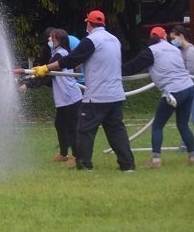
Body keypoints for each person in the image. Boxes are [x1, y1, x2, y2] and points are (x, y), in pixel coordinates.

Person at [33, 10, 135, 171]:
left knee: (84, 131)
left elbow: (70, 60)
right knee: (116, 131)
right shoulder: (114, 40)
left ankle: (84, 165)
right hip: (116, 94)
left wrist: (46, 67)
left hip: (97, 95)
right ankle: (127, 165)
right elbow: (90, 61)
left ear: (88, 23)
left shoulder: (91, 40)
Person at [121, 27, 194, 168]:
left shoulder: (152, 51)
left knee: (157, 126)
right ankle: (193, 157)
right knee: (183, 124)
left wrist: (112, 71)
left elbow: (132, 67)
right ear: (164, 37)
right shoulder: (175, 50)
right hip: (189, 88)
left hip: (173, 91)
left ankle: (155, 160)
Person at [16, 29, 82, 164]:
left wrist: (27, 85)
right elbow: (44, 72)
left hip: (71, 97)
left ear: (59, 40)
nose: (49, 40)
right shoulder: (56, 53)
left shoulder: (60, 54)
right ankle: (64, 154)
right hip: (63, 98)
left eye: (52, 38)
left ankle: (76, 156)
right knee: (59, 125)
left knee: (71, 127)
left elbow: (45, 75)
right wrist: (27, 79)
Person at [169, 25, 194, 137]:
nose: (172, 41)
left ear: (181, 36)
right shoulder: (180, 51)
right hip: (186, 87)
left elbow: (189, 71)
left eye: (173, 38)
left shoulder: (191, 51)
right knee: (183, 119)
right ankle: (185, 145)